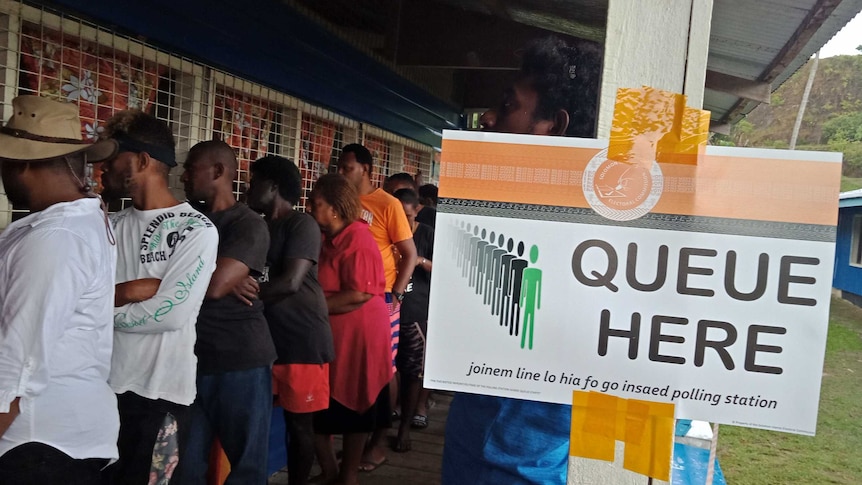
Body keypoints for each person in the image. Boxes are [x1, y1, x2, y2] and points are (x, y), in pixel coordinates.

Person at [441, 36, 600, 485]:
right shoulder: (503, 217)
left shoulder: (594, 241)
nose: (488, 117)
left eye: (508, 105)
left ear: (556, 125)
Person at [0, 96, 119, 484]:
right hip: (60, 437)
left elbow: (17, 363)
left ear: (23, 164)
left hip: (36, 442)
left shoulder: (57, 237)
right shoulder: (75, 222)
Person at [100, 110, 219, 484]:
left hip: (159, 394)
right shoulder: (109, 226)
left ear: (141, 160)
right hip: (101, 389)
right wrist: (129, 291)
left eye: (113, 156)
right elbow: (78, 298)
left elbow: (170, 315)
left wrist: (101, 308)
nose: (103, 167)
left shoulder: (196, 230)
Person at [177, 140, 277, 485]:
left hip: (239, 360)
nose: (184, 176)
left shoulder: (247, 224)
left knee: (246, 468)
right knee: (186, 468)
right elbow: (207, 278)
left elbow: (214, 286)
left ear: (218, 172)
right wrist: (223, 273)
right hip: (190, 360)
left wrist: (221, 276)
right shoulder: (185, 219)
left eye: (191, 167)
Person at [245, 155, 335, 485]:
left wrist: (235, 292)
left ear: (273, 186)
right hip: (265, 343)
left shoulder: (302, 224)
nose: (248, 188)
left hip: (301, 340)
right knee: (255, 422)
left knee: (300, 426)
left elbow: (290, 282)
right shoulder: (256, 224)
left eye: (254, 182)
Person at [308, 174, 393, 485]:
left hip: (359, 337)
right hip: (333, 332)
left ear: (333, 208)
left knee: (356, 402)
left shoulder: (357, 237)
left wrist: (311, 307)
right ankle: (331, 471)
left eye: (315, 204)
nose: (309, 209)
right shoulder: (326, 238)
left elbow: (358, 293)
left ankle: (347, 475)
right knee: (319, 409)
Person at [337, 143, 417, 470]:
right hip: (345, 300)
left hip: (381, 300)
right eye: (339, 168)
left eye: (348, 168)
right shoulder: (343, 203)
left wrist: (395, 297)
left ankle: (378, 443)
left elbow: (409, 254)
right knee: (352, 371)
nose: (341, 174)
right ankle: (354, 445)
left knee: (385, 371)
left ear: (366, 169)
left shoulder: (388, 204)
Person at [391, 188, 434, 453]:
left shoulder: (427, 234)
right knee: (387, 374)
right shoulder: (388, 230)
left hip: (414, 312)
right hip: (388, 310)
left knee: (411, 374)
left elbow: (448, 268)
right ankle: (381, 430)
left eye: (407, 215)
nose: (403, 221)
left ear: (417, 210)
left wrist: (420, 260)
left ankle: (404, 429)